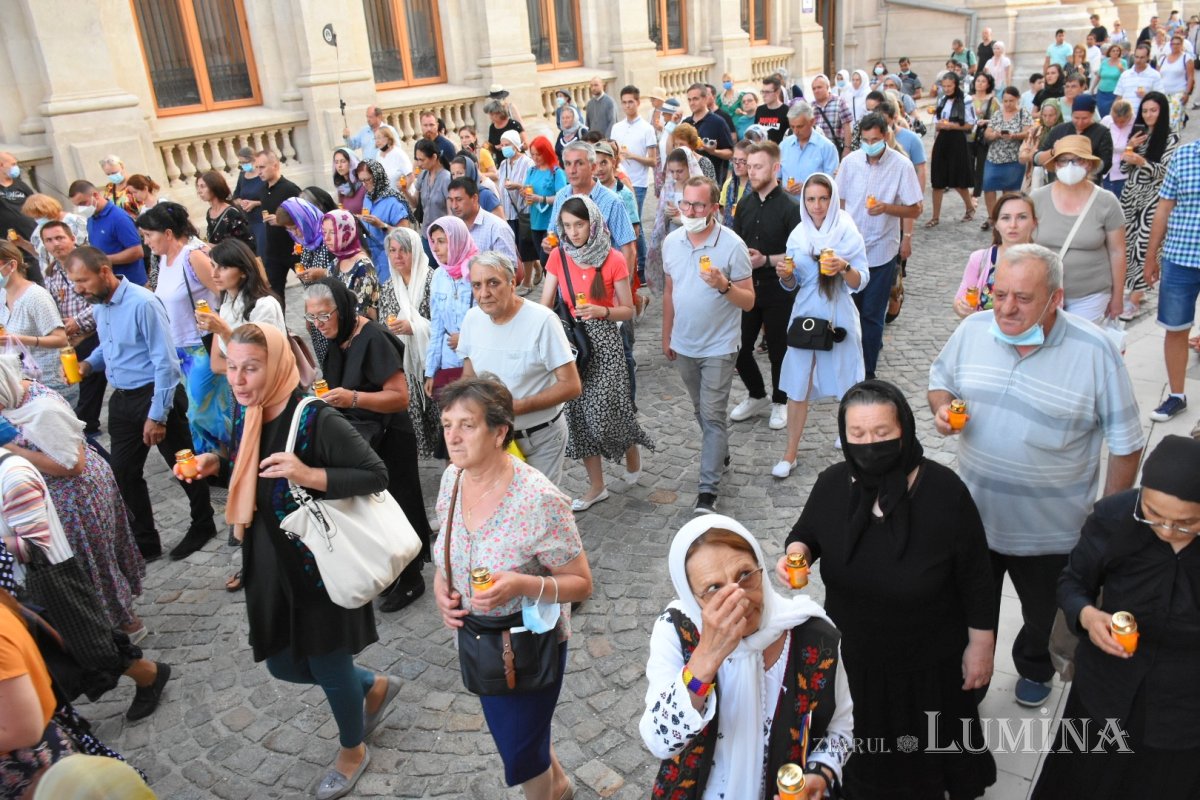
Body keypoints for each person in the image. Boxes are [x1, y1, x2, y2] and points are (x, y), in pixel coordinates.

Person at [181, 322, 400, 800]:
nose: (237, 379)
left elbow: (374, 474)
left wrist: (310, 472)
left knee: (326, 658)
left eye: (250, 368)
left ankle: (352, 749)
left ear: (277, 364)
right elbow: (256, 477)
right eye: (233, 368)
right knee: (282, 661)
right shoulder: (250, 413)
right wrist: (218, 467)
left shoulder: (314, 417)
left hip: (315, 560)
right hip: (267, 557)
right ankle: (371, 685)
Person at [929, 243, 1144, 708]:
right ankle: (968, 679)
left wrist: (1106, 520)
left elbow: (1127, 442)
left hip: (1052, 532)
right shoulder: (973, 329)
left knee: (1044, 615)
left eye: (1023, 299)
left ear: (1056, 299)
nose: (1005, 308)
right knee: (965, 610)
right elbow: (939, 378)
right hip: (973, 521)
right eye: (999, 293)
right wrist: (943, 409)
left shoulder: (1095, 353)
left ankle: (1033, 664)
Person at [780, 380, 997, 798]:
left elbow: (977, 577)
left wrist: (981, 646)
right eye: (857, 435)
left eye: (882, 434)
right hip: (856, 661)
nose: (868, 444)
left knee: (929, 756)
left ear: (905, 429)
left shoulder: (944, 492)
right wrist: (798, 551)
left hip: (931, 663)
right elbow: (806, 532)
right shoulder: (833, 483)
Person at [431, 375, 591, 799]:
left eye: (467, 424)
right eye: (447, 424)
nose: (453, 436)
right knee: (525, 740)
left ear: (500, 431)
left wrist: (521, 583)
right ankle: (560, 787)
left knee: (520, 754)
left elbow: (580, 583)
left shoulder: (537, 498)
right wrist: (441, 587)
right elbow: (445, 550)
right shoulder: (453, 478)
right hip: (476, 638)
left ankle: (548, 791)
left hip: (527, 647)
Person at [1032, 435, 1200, 800]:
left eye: (1185, 523)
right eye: (1153, 514)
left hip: (1184, 705)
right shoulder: (1116, 516)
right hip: (1106, 687)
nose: (1167, 531)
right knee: (1082, 780)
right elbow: (1073, 582)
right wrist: (1089, 616)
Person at [641, 514, 853, 800]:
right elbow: (660, 741)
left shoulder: (815, 637)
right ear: (692, 598)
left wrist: (821, 772)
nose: (738, 598)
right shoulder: (678, 631)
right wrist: (706, 658)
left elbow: (841, 730)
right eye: (714, 589)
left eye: (744, 576)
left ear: (761, 569)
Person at [66, 246, 216, 561]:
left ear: (104, 272)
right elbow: (111, 348)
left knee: (183, 465)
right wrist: (88, 365)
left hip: (156, 393)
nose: (79, 289)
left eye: (83, 281)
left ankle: (203, 524)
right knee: (123, 471)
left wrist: (157, 416)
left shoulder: (143, 303)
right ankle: (145, 542)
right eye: (74, 282)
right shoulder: (99, 304)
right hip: (122, 399)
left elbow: (166, 364)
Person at [303, 279, 432, 613]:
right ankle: (391, 570)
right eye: (312, 319)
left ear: (342, 309)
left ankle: (412, 577)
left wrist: (353, 397)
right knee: (375, 509)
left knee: (401, 503)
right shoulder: (337, 334)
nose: (319, 325)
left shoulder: (372, 337)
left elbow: (399, 397)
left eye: (324, 316)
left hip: (390, 434)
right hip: (361, 435)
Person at [0, 352, 145, 635]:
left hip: (76, 497)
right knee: (88, 564)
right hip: (55, 497)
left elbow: (72, 465)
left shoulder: (42, 409)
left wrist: (13, 450)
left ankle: (127, 628)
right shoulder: (14, 398)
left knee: (94, 564)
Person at [540, 197, 650, 509]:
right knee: (578, 416)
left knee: (608, 411)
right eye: (568, 225)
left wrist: (602, 310)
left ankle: (630, 447)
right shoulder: (558, 258)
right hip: (572, 341)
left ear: (593, 223)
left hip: (605, 340)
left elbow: (627, 310)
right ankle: (596, 486)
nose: (573, 232)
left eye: (580, 224)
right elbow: (545, 304)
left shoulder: (613, 258)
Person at [661, 177, 754, 513]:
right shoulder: (671, 242)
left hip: (720, 346)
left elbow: (748, 302)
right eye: (686, 203)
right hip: (685, 345)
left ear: (715, 208)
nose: (691, 210)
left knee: (713, 416)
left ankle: (707, 492)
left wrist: (723, 284)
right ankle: (721, 451)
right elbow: (670, 292)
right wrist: (666, 333)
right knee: (702, 411)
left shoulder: (732, 245)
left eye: (699, 205)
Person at [770, 173, 867, 479]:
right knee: (798, 383)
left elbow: (861, 279)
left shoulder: (847, 229)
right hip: (807, 313)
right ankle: (790, 453)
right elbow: (792, 283)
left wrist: (844, 266)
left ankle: (853, 445)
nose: (817, 205)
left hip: (839, 312)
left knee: (848, 380)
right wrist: (785, 275)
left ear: (833, 198)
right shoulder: (798, 235)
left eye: (823, 198)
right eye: (810, 199)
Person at [457, 250, 581, 486]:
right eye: (477, 285)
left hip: (540, 438)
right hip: (493, 439)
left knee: (537, 512)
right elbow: (469, 376)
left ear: (512, 282)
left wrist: (516, 407)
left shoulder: (542, 321)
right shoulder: (472, 319)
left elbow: (571, 385)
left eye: (493, 283)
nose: (484, 293)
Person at [136, 203, 231, 456]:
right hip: (180, 349)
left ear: (167, 233)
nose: (146, 242)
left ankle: (238, 452)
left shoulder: (193, 256)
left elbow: (226, 293)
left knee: (200, 411)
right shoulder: (164, 260)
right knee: (207, 410)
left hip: (203, 345)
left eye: (149, 235)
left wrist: (221, 326)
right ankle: (218, 464)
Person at [837, 114, 923, 380]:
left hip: (881, 253)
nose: (870, 144)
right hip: (850, 252)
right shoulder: (850, 163)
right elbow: (839, 202)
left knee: (872, 316)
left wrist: (887, 208)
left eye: (875, 139)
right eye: (865, 140)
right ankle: (847, 364)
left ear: (886, 136)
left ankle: (867, 372)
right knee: (849, 314)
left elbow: (916, 208)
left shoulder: (901, 165)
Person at [1031, 136, 1126, 323]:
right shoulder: (1037, 198)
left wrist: (1117, 296)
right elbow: (1024, 244)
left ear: (1089, 165)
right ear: (1055, 165)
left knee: (1078, 345)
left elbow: (1118, 252)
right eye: (1063, 160)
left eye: (1077, 160)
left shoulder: (1106, 201)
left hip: (1091, 293)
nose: (1070, 165)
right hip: (1044, 292)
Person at [1144, 134, 1200, 423]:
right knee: (1175, 327)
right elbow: (1164, 207)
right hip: (1180, 257)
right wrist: (1151, 255)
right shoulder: (1184, 156)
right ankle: (1177, 395)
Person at [38, 222, 104, 433]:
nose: (55, 244)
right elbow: (53, 304)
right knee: (80, 379)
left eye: (59, 238)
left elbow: (104, 297)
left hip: (96, 330)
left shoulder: (87, 261)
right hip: (74, 337)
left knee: (89, 379)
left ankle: (87, 423)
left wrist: (78, 321)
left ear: (72, 238)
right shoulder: (51, 273)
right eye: (49, 240)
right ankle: (87, 422)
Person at [378, 227, 439, 457]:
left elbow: (443, 325)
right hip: (403, 361)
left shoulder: (432, 280)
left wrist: (415, 327)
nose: (398, 256)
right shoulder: (389, 286)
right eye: (392, 250)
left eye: (404, 250)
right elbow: (384, 319)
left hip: (431, 361)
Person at [1120, 91, 1177, 318]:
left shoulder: (1170, 137)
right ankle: (1134, 287)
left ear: (1162, 111)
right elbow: (1124, 168)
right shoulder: (1138, 133)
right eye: (1145, 110)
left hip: (1154, 197)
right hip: (1131, 194)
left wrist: (1142, 161)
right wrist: (1130, 148)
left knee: (1145, 244)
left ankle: (1136, 295)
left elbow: (1166, 172)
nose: (1149, 114)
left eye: (1153, 110)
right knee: (1127, 241)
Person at [198, 238, 286, 377]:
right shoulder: (226, 302)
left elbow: (259, 361)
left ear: (243, 271)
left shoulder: (264, 305)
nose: (214, 274)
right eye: (213, 266)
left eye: (224, 267)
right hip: (241, 387)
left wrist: (223, 330)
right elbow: (216, 363)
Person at [0, 242, 69, 398]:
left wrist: (21, 339)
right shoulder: (3, 294)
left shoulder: (36, 296)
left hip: (49, 382)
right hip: (20, 382)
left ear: (11, 265)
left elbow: (61, 339)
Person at [954, 192, 1037, 317]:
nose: (1013, 225)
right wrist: (962, 307)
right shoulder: (979, 259)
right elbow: (960, 299)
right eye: (1005, 218)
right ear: (996, 224)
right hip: (984, 334)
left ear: (1034, 222)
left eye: (1022, 217)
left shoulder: (1045, 263)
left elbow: (1054, 308)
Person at [612, 85, 658, 280]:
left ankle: (642, 265)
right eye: (624, 102)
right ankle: (632, 263)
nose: (627, 105)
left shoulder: (647, 129)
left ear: (638, 103)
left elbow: (653, 160)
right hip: (618, 181)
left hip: (638, 183)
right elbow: (612, 153)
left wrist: (633, 156)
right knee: (621, 224)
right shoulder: (617, 127)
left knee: (634, 224)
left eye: (631, 101)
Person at [67, 180, 146, 286]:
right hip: (108, 284)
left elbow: (137, 252)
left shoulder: (118, 218)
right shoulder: (91, 218)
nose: (81, 209)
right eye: (77, 205)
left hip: (130, 284)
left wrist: (102, 260)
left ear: (95, 195)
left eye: (83, 203)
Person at [928, 72, 977, 226]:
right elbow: (936, 121)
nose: (947, 89)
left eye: (950, 86)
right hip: (942, 139)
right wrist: (942, 125)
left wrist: (951, 125)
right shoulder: (942, 100)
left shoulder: (966, 100)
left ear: (956, 85)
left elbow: (971, 124)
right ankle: (935, 217)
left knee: (958, 179)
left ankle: (969, 207)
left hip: (957, 140)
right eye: (945, 86)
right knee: (937, 179)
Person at [255, 150, 301, 308]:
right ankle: (279, 330)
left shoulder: (290, 189)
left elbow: (304, 219)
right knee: (274, 296)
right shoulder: (262, 190)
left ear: (275, 166)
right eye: (257, 167)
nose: (259, 171)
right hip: (273, 252)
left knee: (312, 287)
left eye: (262, 167)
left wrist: (282, 221)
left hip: (294, 250)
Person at [982, 87, 1034, 219]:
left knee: (1009, 191)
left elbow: (1028, 133)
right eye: (1005, 101)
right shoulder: (997, 114)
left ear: (1017, 100)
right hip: (994, 157)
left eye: (1011, 101)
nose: (1008, 104)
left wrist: (1013, 136)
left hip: (1013, 159)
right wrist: (995, 135)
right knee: (988, 186)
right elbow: (987, 133)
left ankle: (1006, 216)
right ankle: (992, 217)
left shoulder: (1024, 114)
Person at [355, 159, 410, 283]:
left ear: (377, 177)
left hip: (389, 259)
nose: (365, 184)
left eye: (367, 180)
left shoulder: (393, 201)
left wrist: (382, 225)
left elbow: (406, 234)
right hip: (371, 257)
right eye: (361, 181)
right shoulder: (368, 197)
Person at [524, 136, 566, 274]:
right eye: (533, 154)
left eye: (538, 154)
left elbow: (562, 197)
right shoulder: (531, 170)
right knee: (544, 261)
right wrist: (526, 195)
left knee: (546, 259)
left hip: (551, 222)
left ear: (546, 152)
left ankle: (556, 289)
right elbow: (526, 188)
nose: (535, 158)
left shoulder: (556, 172)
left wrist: (541, 198)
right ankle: (552, 289)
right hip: (535, 221)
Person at [778, 102, 840, 198]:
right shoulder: (784, 146)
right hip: (787, 205)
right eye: (792, 127)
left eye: (800, 126)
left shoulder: (827, 147)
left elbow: (832, 181)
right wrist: (782, 187)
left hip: (815, 207)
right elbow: (776, 177)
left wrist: (807, 188)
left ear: (812, 122)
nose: (795, 131)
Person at [22, 194, 86, 279]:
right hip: (53, 279)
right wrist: (22, 243)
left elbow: (87, 248)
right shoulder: (37, 232)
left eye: (40, 216)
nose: (38, 220)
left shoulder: (76, 222)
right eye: (35, 217)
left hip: (77, 273)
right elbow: (41, 255)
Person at [682, 83, 735, 184]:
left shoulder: (718, 122)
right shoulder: (686, 123)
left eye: (695, 99)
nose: (691, 103)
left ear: (705, 99)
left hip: (710, 181)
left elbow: (730, 153)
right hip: (689, 180)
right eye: (689, 100)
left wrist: (713, 151)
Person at [197, 171, 253, 249]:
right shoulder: (209, 212)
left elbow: (244, 244)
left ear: (214, 187)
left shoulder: (231, 213)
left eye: (203, 186)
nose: (199, 191)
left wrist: (215, 247)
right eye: (198, 186)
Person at [412, 138, 452, 245]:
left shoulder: (446, 178)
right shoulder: (424, 175)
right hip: (426, 234)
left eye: (422, 160)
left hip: (442, 236)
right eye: (417, 159)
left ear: (434, 157)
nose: (419, 164)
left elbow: (450, 212)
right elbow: (415, 203)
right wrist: (405, 190)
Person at [232, 146, 266, 256]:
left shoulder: (262, 175)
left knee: (262, 253)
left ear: (253, 159)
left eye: (245, 162)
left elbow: (271, 197)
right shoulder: (242, 175)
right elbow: (236, 195)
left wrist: (255, 203)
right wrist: (241, 202)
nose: (243, 165)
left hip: (262, 220)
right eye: (240, 162)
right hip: (247, 221)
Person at [1114, 44, 1164, 115]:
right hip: (1126, 116)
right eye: (1136, 57)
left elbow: (1161, 97)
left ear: (1148, 58)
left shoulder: (1155, 75)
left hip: (1146, 116)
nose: (1138, 60)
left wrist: (1146, 96)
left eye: (1142, 57)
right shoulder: (1125, 75)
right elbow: (1119, 97)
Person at [809, 74, 851, 155]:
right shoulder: (811, 107)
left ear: (827, 87)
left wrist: (847, 149)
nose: (816, 91)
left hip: (834, 151)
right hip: (816, 153)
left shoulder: (839, 102)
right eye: (814, 88)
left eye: (819, 87)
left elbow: (847, 127)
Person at [1159, 32, 1194, 126]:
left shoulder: (1186, 58)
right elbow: (1157, 75)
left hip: (1178, 92)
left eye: (1178, 44)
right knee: (1163, 119)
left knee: (1173, 120)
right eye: (1173, 44)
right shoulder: (1163, 59)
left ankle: (1174, 137)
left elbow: (1190, 76)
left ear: (1181, 45)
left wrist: (1187, 93)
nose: (1175, 46)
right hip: (1163, 93)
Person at [718, 140, 752, 229]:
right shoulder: (729, 183)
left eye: (742, 161)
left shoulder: (758, 186)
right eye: (734, 160)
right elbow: (723, 211)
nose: (737, 165)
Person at [484, 102, 526, 169]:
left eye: (492, 115)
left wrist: (511, 147)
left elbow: (525, 144)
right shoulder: (492, 127)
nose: (490, 117)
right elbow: (491, 146)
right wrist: (495, 147)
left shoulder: (514, 124)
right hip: (503, 163)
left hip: (518, 161)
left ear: (499, 113)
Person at [373, 126, 413, 191]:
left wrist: (404, 193)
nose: (377, 141)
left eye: (379, 138)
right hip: (388, 197)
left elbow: (411, 177)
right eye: (375, 138)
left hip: (402, 197)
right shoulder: (378, 154)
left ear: (388, 138)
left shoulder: (399, 153)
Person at [1095, 45, 1130, 118]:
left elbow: (1127, 76)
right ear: (1109, 52)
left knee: (1111, 112)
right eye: (1113, 51)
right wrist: (1092, 88)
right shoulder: (1104, 62)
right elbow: (1099, 76)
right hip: (1102, 91)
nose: (1115, 52)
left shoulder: (1123, 62)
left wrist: (1122, 69)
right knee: (1101, 110)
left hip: (1114, 93)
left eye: (1117, 51)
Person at [754, 74, 789, 144]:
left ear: (777, 92)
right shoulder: (759, 110)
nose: (764, 95)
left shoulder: (787, 111)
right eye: (762, 92)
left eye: (767, 92)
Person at [331, 146, 366, 216]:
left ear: (352, 163)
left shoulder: (364, 185)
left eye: (343, 161)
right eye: (336, 162)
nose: (339, 166)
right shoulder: (341, 188)